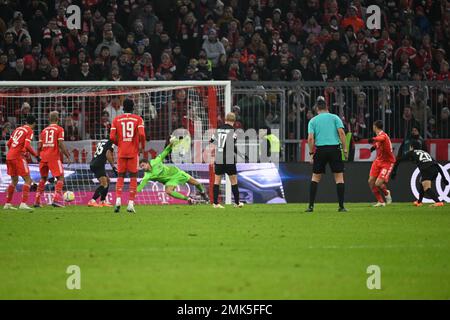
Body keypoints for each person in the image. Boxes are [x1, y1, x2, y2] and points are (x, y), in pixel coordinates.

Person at [306, 96, 348, 213]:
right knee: (339, 178)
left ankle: (310, 206)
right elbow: (342, 133)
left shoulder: (313, 121)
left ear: (317, 109)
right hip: (334, 149)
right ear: (327, 107)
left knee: (315, 177)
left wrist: (311, 153)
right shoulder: (335, 118)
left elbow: (310, 138)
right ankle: (341, 206)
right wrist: (345, 149)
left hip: (320, 150)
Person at [137, 138, 209, 204]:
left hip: (176, 173)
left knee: (196, 183)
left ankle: (203, 193)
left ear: (147, 163)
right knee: (168, 191)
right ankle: (189, 199)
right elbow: (140, 186)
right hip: (170, 181)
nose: (142, 168)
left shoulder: (156, 161)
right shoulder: (147, 175)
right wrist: (133, 192)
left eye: (143, 165)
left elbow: (165, 151)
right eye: (141, 167)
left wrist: (170, 144)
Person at [110, 98, 146, 213]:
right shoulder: (138, 119)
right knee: (133, 177)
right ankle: (130, 203)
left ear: (123, 107)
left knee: (120, 176)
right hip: (133, 152)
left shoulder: (116, 120)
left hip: (121, 152)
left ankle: (118, 200)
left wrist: (119, 143)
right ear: (133, 108)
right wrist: (142, 147)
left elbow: (111, 137)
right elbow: (141, 134)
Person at [391, 141, 448, 207]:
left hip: (426, 169)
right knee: (421, 182)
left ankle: (438, 202)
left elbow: (398, 160)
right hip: (435, 169)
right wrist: (444, 178)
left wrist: (394, 172)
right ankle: (419, 202)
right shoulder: (425, 153)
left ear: (411, 147)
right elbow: (437, 165)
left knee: (426, 188)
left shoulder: (411, 152)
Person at [34, 111, 72, 208]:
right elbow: (60, 143)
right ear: (58, 119)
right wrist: (67, 155)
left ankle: (37, 201)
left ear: (49, 119)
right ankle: (56, 200)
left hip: (43, 157)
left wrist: (38, 156)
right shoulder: (59, 129)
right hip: (53, 157)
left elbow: (39, 145)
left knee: (43, 178)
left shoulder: (43, 130)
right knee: (60, 177)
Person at [3, 115, 39, 210]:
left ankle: (7, 203)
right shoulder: (29, 131)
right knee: (28, 180)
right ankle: (23, 203)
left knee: (14, 180)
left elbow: (8, 143)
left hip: (9, 156)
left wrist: (14, 151)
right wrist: (36, 155)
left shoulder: (18, 129)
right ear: (34, 123)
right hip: (18, 157)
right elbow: (27, 145)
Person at [210, 112, 243, 209]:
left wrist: (219, 145)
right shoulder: (233, 131)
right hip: (229, 159)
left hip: (219, 158)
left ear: (225, 120)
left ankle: (215, 203)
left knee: (217, 181)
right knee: (233, 181)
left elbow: (211, 141)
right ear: (234, 121)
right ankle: (237, 203)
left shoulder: (218, 130)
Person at [367, 120, 395, 207]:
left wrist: (373, 139)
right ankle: (381, 201)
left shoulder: (383, 135)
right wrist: (374, 147)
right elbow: (379, 143)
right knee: (371, 181)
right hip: (378, 161)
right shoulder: (379, 136)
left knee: (378, 183)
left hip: (387, 162)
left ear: (375, 127)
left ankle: (386, 193)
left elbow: (381, 139)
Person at [88, 139, 118, 207]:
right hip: (99, 165)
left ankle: (102, 201)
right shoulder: (111, 142)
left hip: (95, 163)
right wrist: (113, 167)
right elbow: (108, 154)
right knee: (104, 184)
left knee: (107, 181)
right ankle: (92, 201)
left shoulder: (103, 141)